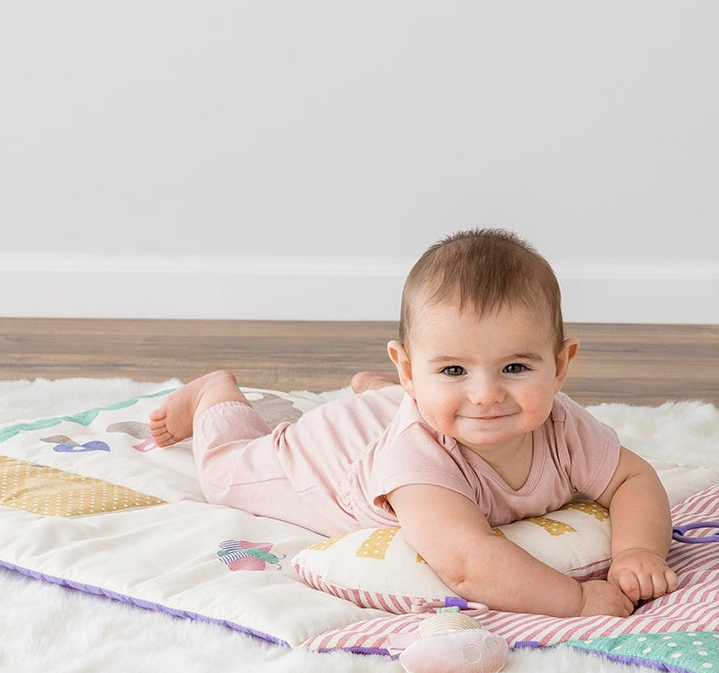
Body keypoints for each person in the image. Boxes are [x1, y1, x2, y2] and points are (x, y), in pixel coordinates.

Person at [149, 229, 678, 618]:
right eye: (453, 369)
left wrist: (638, 551)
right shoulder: (417, 461)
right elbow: (469, 562)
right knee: (223, 475)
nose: (487, 394)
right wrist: (579, 599)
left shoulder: (562, 426)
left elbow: (633, 479)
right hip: (326, 459)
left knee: (445, 408)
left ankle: (385, 393)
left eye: (515, 367)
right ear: (409, 367)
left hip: (404, 412)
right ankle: (214, 392)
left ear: (560, 365)